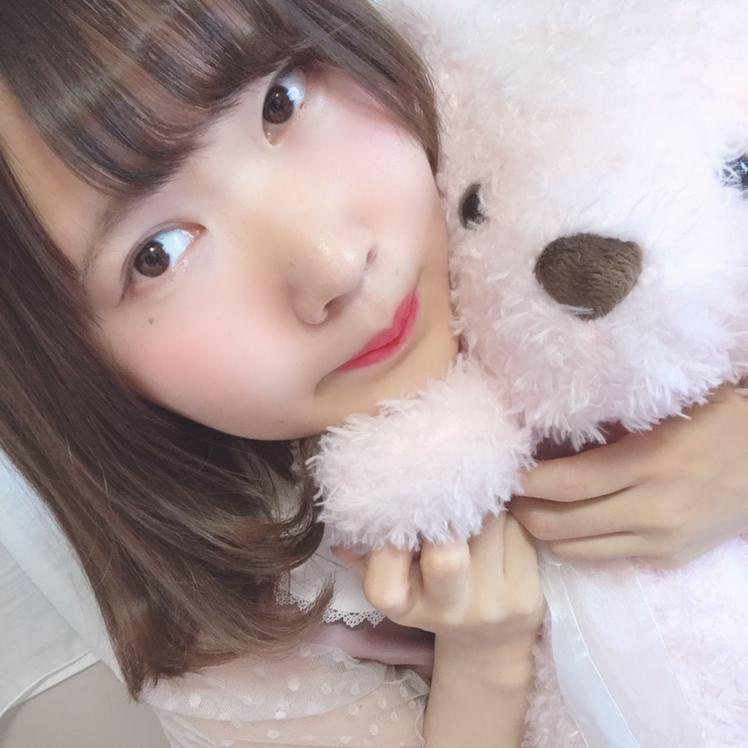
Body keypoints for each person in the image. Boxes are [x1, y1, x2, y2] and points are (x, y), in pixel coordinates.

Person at [0, 1, 746, 746]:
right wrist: (482, 666)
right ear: (79, 366)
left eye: (281, 100)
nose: (332, 263)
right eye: (157, 254)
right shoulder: (232, 643)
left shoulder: (546, 118)